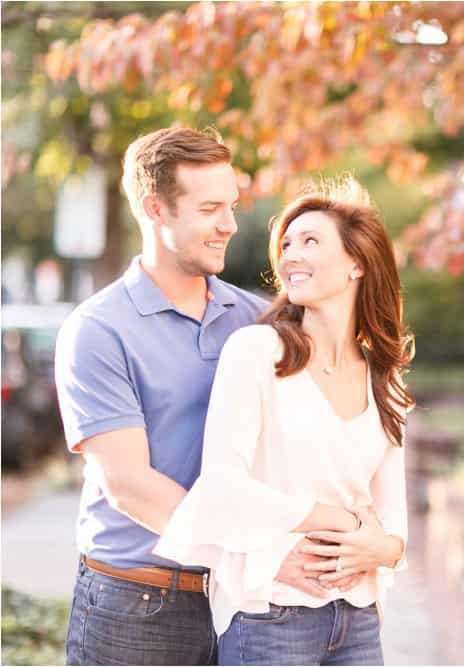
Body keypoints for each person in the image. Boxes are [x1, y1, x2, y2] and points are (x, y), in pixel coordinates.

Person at [54, 127, 356, 666]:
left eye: (233, 206)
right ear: (156, 208)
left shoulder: (258, 318)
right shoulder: (98, 330)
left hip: (249, 603)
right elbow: (129, 486)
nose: (229, 225)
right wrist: (259, 553)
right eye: (211, 207)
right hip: (139, 606)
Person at [153, 176, 414, 666]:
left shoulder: (385, 380)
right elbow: (224, 486)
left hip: (356, 617)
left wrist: (380, 550)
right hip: (270, 611)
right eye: (286, 244)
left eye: (310, 241)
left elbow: (395, 522)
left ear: (357, 261)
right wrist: (339, 520)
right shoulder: (258, 352)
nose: (291, 255)